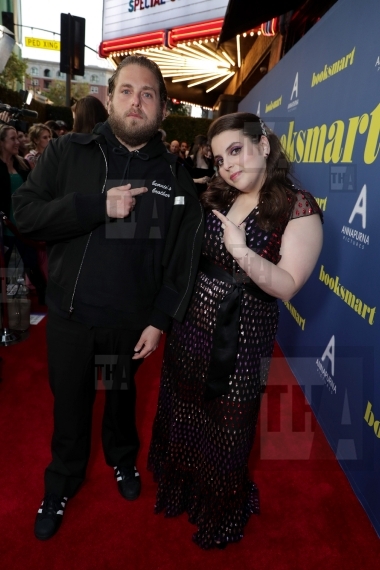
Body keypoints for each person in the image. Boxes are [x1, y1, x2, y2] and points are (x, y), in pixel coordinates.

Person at [13, 54, 204, 541]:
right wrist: (96, 207)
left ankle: (122, 460)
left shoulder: (175, 176)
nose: (136, 102)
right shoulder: (68, 153)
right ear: (109, 97)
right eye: (126, 91)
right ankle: (62, 480)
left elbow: (180, 261)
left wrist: (160, 319)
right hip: (72, 322)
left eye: (148, 94)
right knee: (70, 408)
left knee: (119, 399)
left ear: (162, 108)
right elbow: (25, 215)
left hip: (127, 327)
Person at [148, 112, 323, 549]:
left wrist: (242, 253)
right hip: (191, 327)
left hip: (242, 338)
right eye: (220, 157)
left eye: (237, 150)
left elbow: (287, 285)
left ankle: (220, 511)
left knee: (227, 429)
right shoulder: (220, 195)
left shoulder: (298, 206)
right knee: (184, 410)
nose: (229, 165)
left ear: (263, 145)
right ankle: (182, 489)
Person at [0, 125, 46, 302]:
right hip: (5, 230)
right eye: (12, 139)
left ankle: (42, 301)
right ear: (2, 142)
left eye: (17, 138)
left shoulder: (23, 164)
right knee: (9, 271)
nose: (17, 142)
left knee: (32, 265)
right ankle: (12, 313)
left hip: (24, 227)